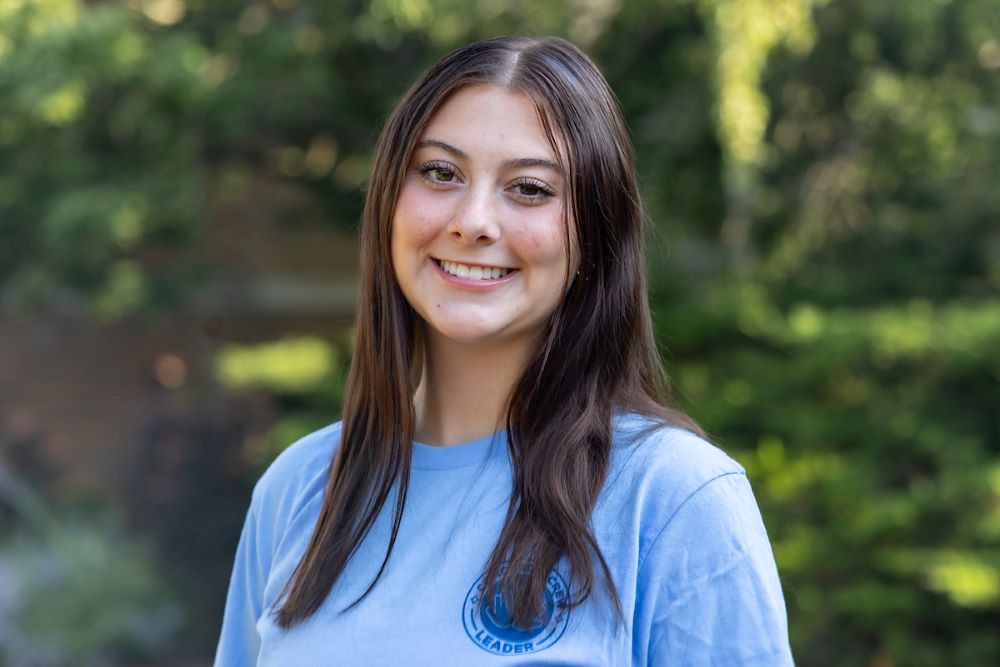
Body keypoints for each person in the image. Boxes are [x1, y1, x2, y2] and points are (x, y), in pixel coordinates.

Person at [214, 36, 793, 666]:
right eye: (440, 173)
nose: (474, 221)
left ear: (595, 233)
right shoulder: (300, 488)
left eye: (530, 188)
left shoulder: (672, 498)